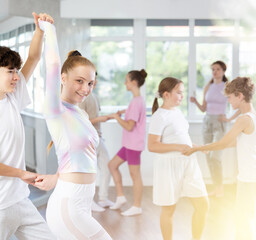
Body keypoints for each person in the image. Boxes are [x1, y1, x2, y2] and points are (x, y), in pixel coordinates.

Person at [0, 12, 56, 240]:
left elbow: (33, 58)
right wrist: (21, 173)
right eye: (11, 71)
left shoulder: (12, 98)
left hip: (19, 199)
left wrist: (39, 30)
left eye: (16, 70)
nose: (16, 76)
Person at [33, 20, 112, 240]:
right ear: (63, 78)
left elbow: (73, 153)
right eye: (79, 81)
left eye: (90, 83)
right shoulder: (55, 108)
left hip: (82, 203)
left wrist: (57, 176)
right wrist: (50, 30)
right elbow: (52, 64)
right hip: (68, 207)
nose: (85, 89)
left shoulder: (81, 114)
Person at [184, 77, 256, 240]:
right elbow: (237, 143)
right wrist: (207, 148)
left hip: (251, 176)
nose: (228, 101)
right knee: (244, 218)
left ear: (240, 95)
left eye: (229, 97)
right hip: (254, 175)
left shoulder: (244, 119)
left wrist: (199, 148)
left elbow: (223, 142)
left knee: (243, 219)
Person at [148, 77, 209, 240]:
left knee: (203, 204)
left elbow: (180, 137)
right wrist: (178, 148)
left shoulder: (177, 112)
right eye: (179, 93)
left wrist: (195, 146)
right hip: (168, 166)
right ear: (166, 94)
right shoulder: (159, 117)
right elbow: (152, 145)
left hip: (188, 163)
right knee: (169, 209)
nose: (182, 96)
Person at [190, 60, 237, 197]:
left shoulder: (227, 87)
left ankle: (220, 188)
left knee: (216, 157)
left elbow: (239, 104)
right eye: (213, 69)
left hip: (220, 123)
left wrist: (229, 119)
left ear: (223, 71)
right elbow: (204, 108)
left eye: (217, 69)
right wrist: (196, 102)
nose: (214, 72)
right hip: (207, 122)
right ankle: (216, 188)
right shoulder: (208, 87)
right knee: (208, 156)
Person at [107, 69, 147, 216]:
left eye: (127, 80)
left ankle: (137, 206)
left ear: (134, 83)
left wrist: (116, 117)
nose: (125, 83)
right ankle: (121, 197)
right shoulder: (136, 100)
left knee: (135, 175)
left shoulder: (137, 102)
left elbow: (129, 126)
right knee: (112, 165)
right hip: (128, 144)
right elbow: (133, 111)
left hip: (134, 145)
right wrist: (123, 111)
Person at [79, 72, 114, 212]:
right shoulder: (82, 98)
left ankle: (103, 198)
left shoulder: (95, 97)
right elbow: (81, 122)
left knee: (107, 167)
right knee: (90, 172)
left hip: (99, 138)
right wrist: (102, 119)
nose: (94, 81)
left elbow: (95, 116)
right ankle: (89, 202)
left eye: (95, 79)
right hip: (88, 140)